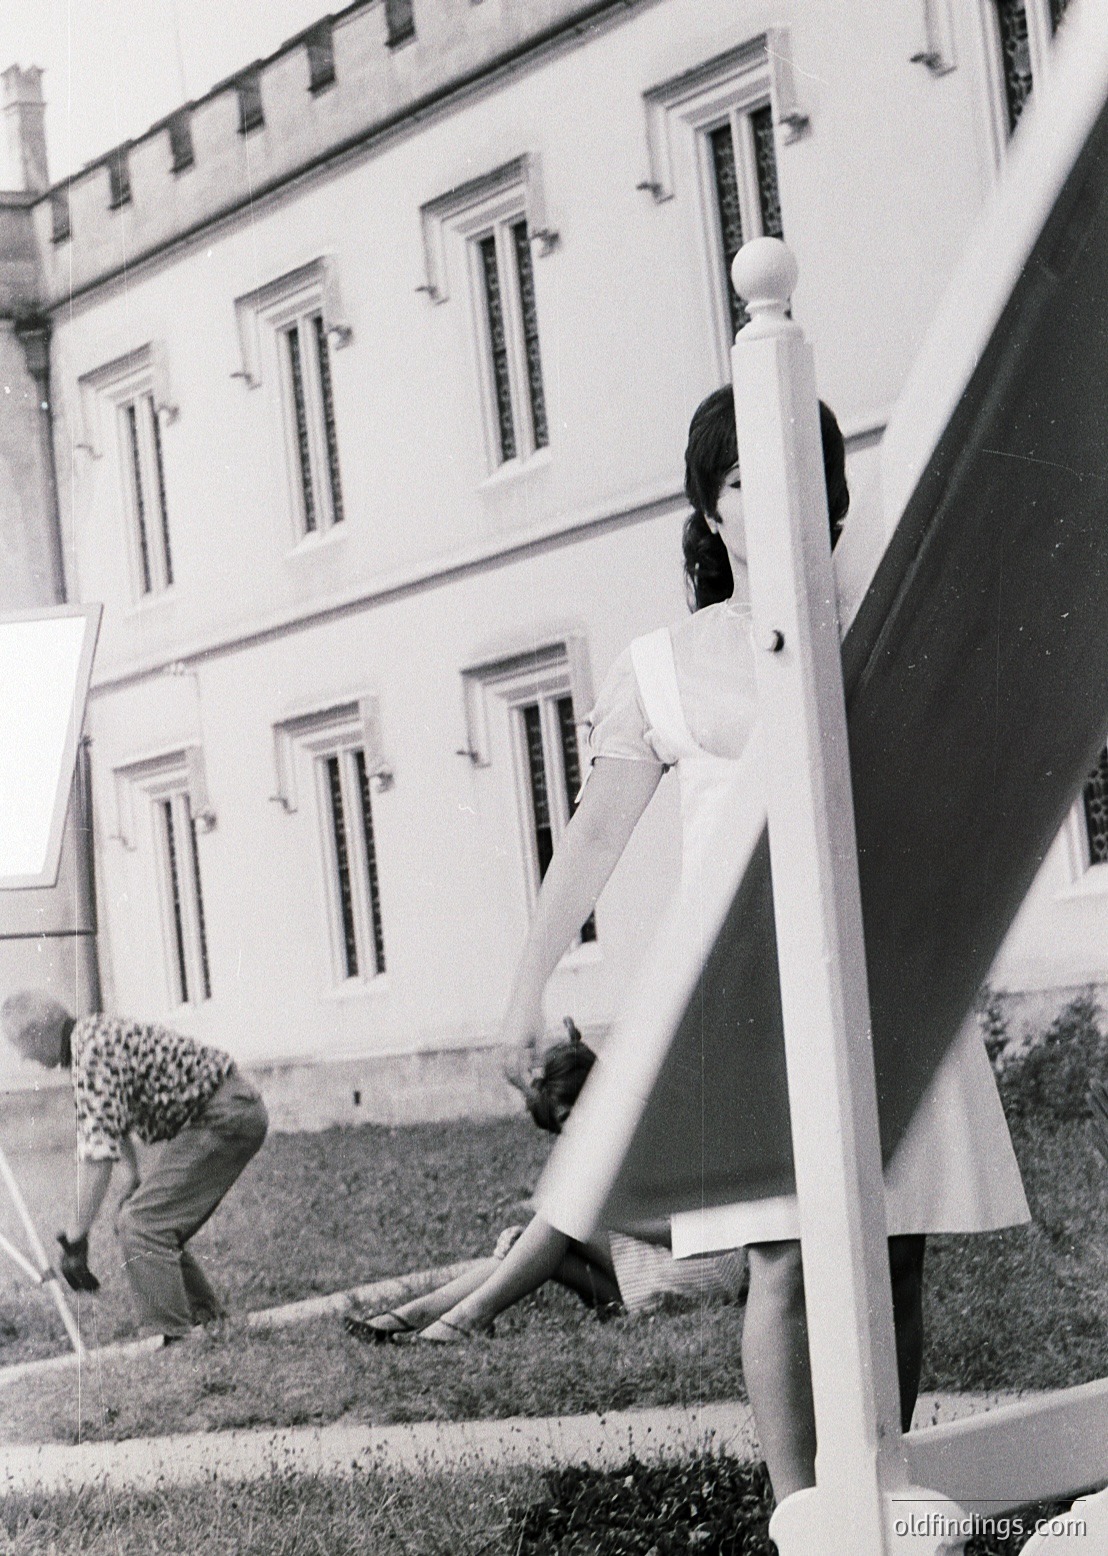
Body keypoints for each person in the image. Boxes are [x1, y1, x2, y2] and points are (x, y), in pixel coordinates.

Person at [485, 386, 1030, 1502]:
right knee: (779, 1255)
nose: (764, 502)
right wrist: (525, 987)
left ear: (827, 496)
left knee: (896, 1244)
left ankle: (881, 1490)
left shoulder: (890, 610)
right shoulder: (664, 665)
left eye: (790, 478)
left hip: (891, 966)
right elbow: (593, 835)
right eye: (739, 481)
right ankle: (798, 1512)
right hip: (754, 986)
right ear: (709, 507)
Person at [345, 1024, 744, 1342]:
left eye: (569, 1117)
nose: (572, 1134)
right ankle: (424, 1316)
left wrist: (597, 1216)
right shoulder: (606, 1145)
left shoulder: (652, 1131)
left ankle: (459, 1318)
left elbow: (696, 1233)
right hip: (647, 1281)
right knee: (540, 1245)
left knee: (563, 1214)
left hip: (702, 1271)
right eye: (562, 1128)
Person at [1, 990, 268, 1342]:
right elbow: (113, 1120)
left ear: (38, 1034)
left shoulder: (90, 1052)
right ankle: (207, 1320)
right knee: (141, 1216)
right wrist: (134, 1177)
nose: (22, 1057)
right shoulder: (89, 1037)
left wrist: (75, 1241)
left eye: (19, 1045)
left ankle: (170, 1336)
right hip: (227, 1109)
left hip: (224, 1114)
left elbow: (97, 1157)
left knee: (142, 1223)